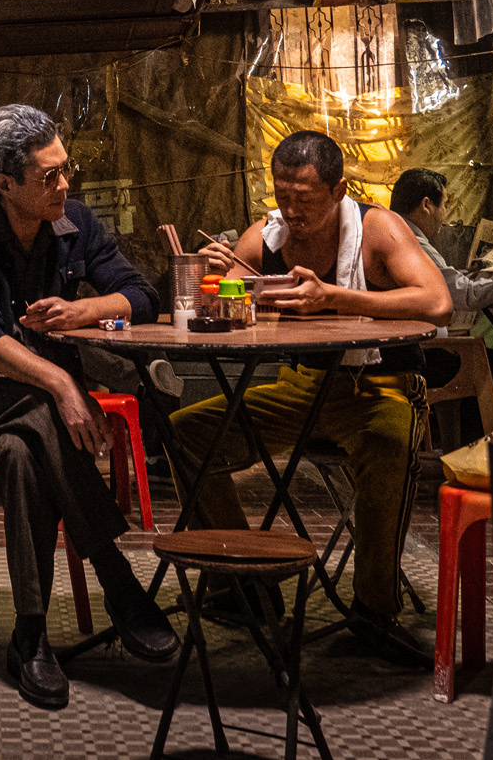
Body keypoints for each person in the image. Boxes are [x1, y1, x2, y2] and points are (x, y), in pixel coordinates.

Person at [0, 103, 178, 711]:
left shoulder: (75, 222)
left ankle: (30, 635)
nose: (66, 185)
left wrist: (84, 309)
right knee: (40, 411)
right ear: (5, 184)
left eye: (67, 169)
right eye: (50, 176)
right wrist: (62, 385)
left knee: (22, 450)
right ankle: (118, 579)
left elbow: (142, 295)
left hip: (30, 420)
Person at [180, 130, 449, 668]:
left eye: (303, 199)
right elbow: (226, 303)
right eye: (282, 196)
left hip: (380, 387)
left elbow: (437, 301)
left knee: (389, 446)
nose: (291, 211)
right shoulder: (267, 236)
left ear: (338, 189)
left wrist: (334, 297)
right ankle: (246, 580)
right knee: (186, 433)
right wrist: (212, 277)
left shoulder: (378, 228)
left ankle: (374, 610)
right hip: (302, 386)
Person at [391, 167, 493, 425]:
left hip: (411, 353)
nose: (444, 217)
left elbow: (447, 282)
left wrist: (465, 274)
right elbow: (465, 295)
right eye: (444, 205)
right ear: (426, 205)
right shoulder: (413, 242)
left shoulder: (396, 234)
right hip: (426, 357)